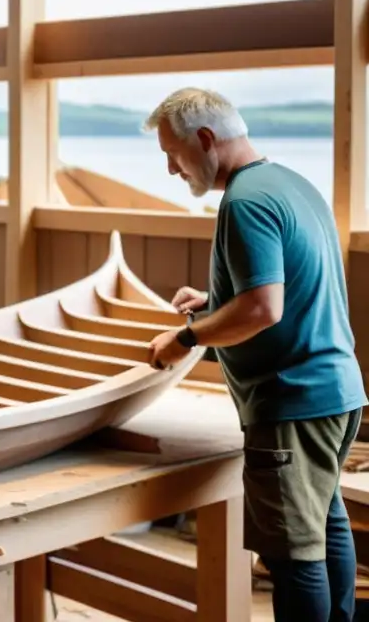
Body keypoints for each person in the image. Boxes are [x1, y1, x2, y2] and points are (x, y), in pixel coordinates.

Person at [143, 87, 366, 622]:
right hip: (338, 393)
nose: (173, 170)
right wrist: (214, 300)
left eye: (173, 155)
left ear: (204, 139)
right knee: (325, 524)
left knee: (293, 556)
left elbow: (264, 309)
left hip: (292, 404)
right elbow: (285, 289)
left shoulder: (245, 202)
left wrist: (186, 338)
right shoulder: (289, 184)